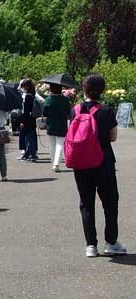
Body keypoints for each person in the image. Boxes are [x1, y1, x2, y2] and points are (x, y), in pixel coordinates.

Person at [71, 74, 126, 257]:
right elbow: (113, 137)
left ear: (84, 89)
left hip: (81, 164)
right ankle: (110, 242)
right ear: (102, 90)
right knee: (110, 203)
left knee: (86, 204)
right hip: (103, 162)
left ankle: (91, 245)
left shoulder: (76, 110)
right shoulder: (105, 111)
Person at [43, 83, 70, 172]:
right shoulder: (65, 100)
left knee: (52, 145)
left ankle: (53, 162)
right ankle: (56, 164)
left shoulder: (48, 99)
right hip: (62, 124)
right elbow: (68, 112)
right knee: (60, 144)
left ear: (51, 89)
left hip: (50, 124)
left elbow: (45, 113)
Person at [19, 79, 38, 162]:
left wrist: (23, 122)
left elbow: (26, 110)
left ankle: (30, 155)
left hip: (27, 119)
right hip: (33, 119)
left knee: (28, 138)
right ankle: (30, 154)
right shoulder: (33, 94)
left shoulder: (28, 96)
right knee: (32, 137)